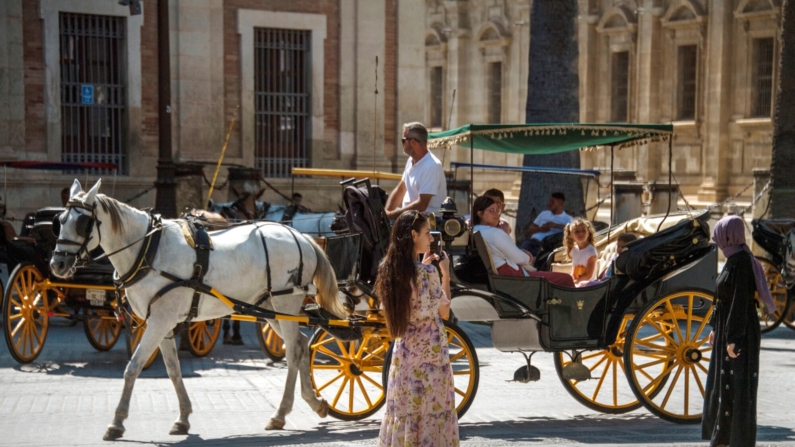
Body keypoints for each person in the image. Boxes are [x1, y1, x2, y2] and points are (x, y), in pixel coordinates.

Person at [376, 211, 458, 446]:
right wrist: (445, 274)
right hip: (430, 353)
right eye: (426, 233)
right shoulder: (429, 273)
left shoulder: (388, 271)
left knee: (405, 408)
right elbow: (444, 312)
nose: (431, 239)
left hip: (404, 351)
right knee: (432, 411)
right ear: (413, 235)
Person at [702, 215, 775, 447]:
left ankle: (736, 441)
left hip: (739, 331)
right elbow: (721, 298)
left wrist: (734, 339)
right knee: (725, 384)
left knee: (737, 386)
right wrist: (716, 327)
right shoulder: (734, 259)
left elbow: (739, 301)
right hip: (728, 327)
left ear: (728, 236)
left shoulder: (741, 262)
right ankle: (724, 439)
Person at [472, 196, 575, 288]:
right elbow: (521, 258)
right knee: (566, 279)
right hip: (512, 277)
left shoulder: (476, 230)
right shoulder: (494, 233)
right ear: (480, 213)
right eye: (491, 210)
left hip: (501, 275)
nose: (496, 214)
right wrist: (528, 257)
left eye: (497, 210)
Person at [384, 122, 447, 219]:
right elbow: (400, 190)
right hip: (409, 220)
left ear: (413, 142)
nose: (402, 144)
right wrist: (386, 214)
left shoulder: (432, 166)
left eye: (403, 140)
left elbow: (421, 205)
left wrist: (391, 215)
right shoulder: (410, 161)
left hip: (426, 224)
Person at [564, 218, 597, 287]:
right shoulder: (574, 250)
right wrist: (570, 281)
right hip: (577, 283)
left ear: (588, 233)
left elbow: (588, 275)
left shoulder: (591, 251)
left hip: (588, 285)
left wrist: (575, 283)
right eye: (577, 232)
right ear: (571, 235)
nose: (581, 234)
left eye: (583, 231)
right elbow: (574, 270)